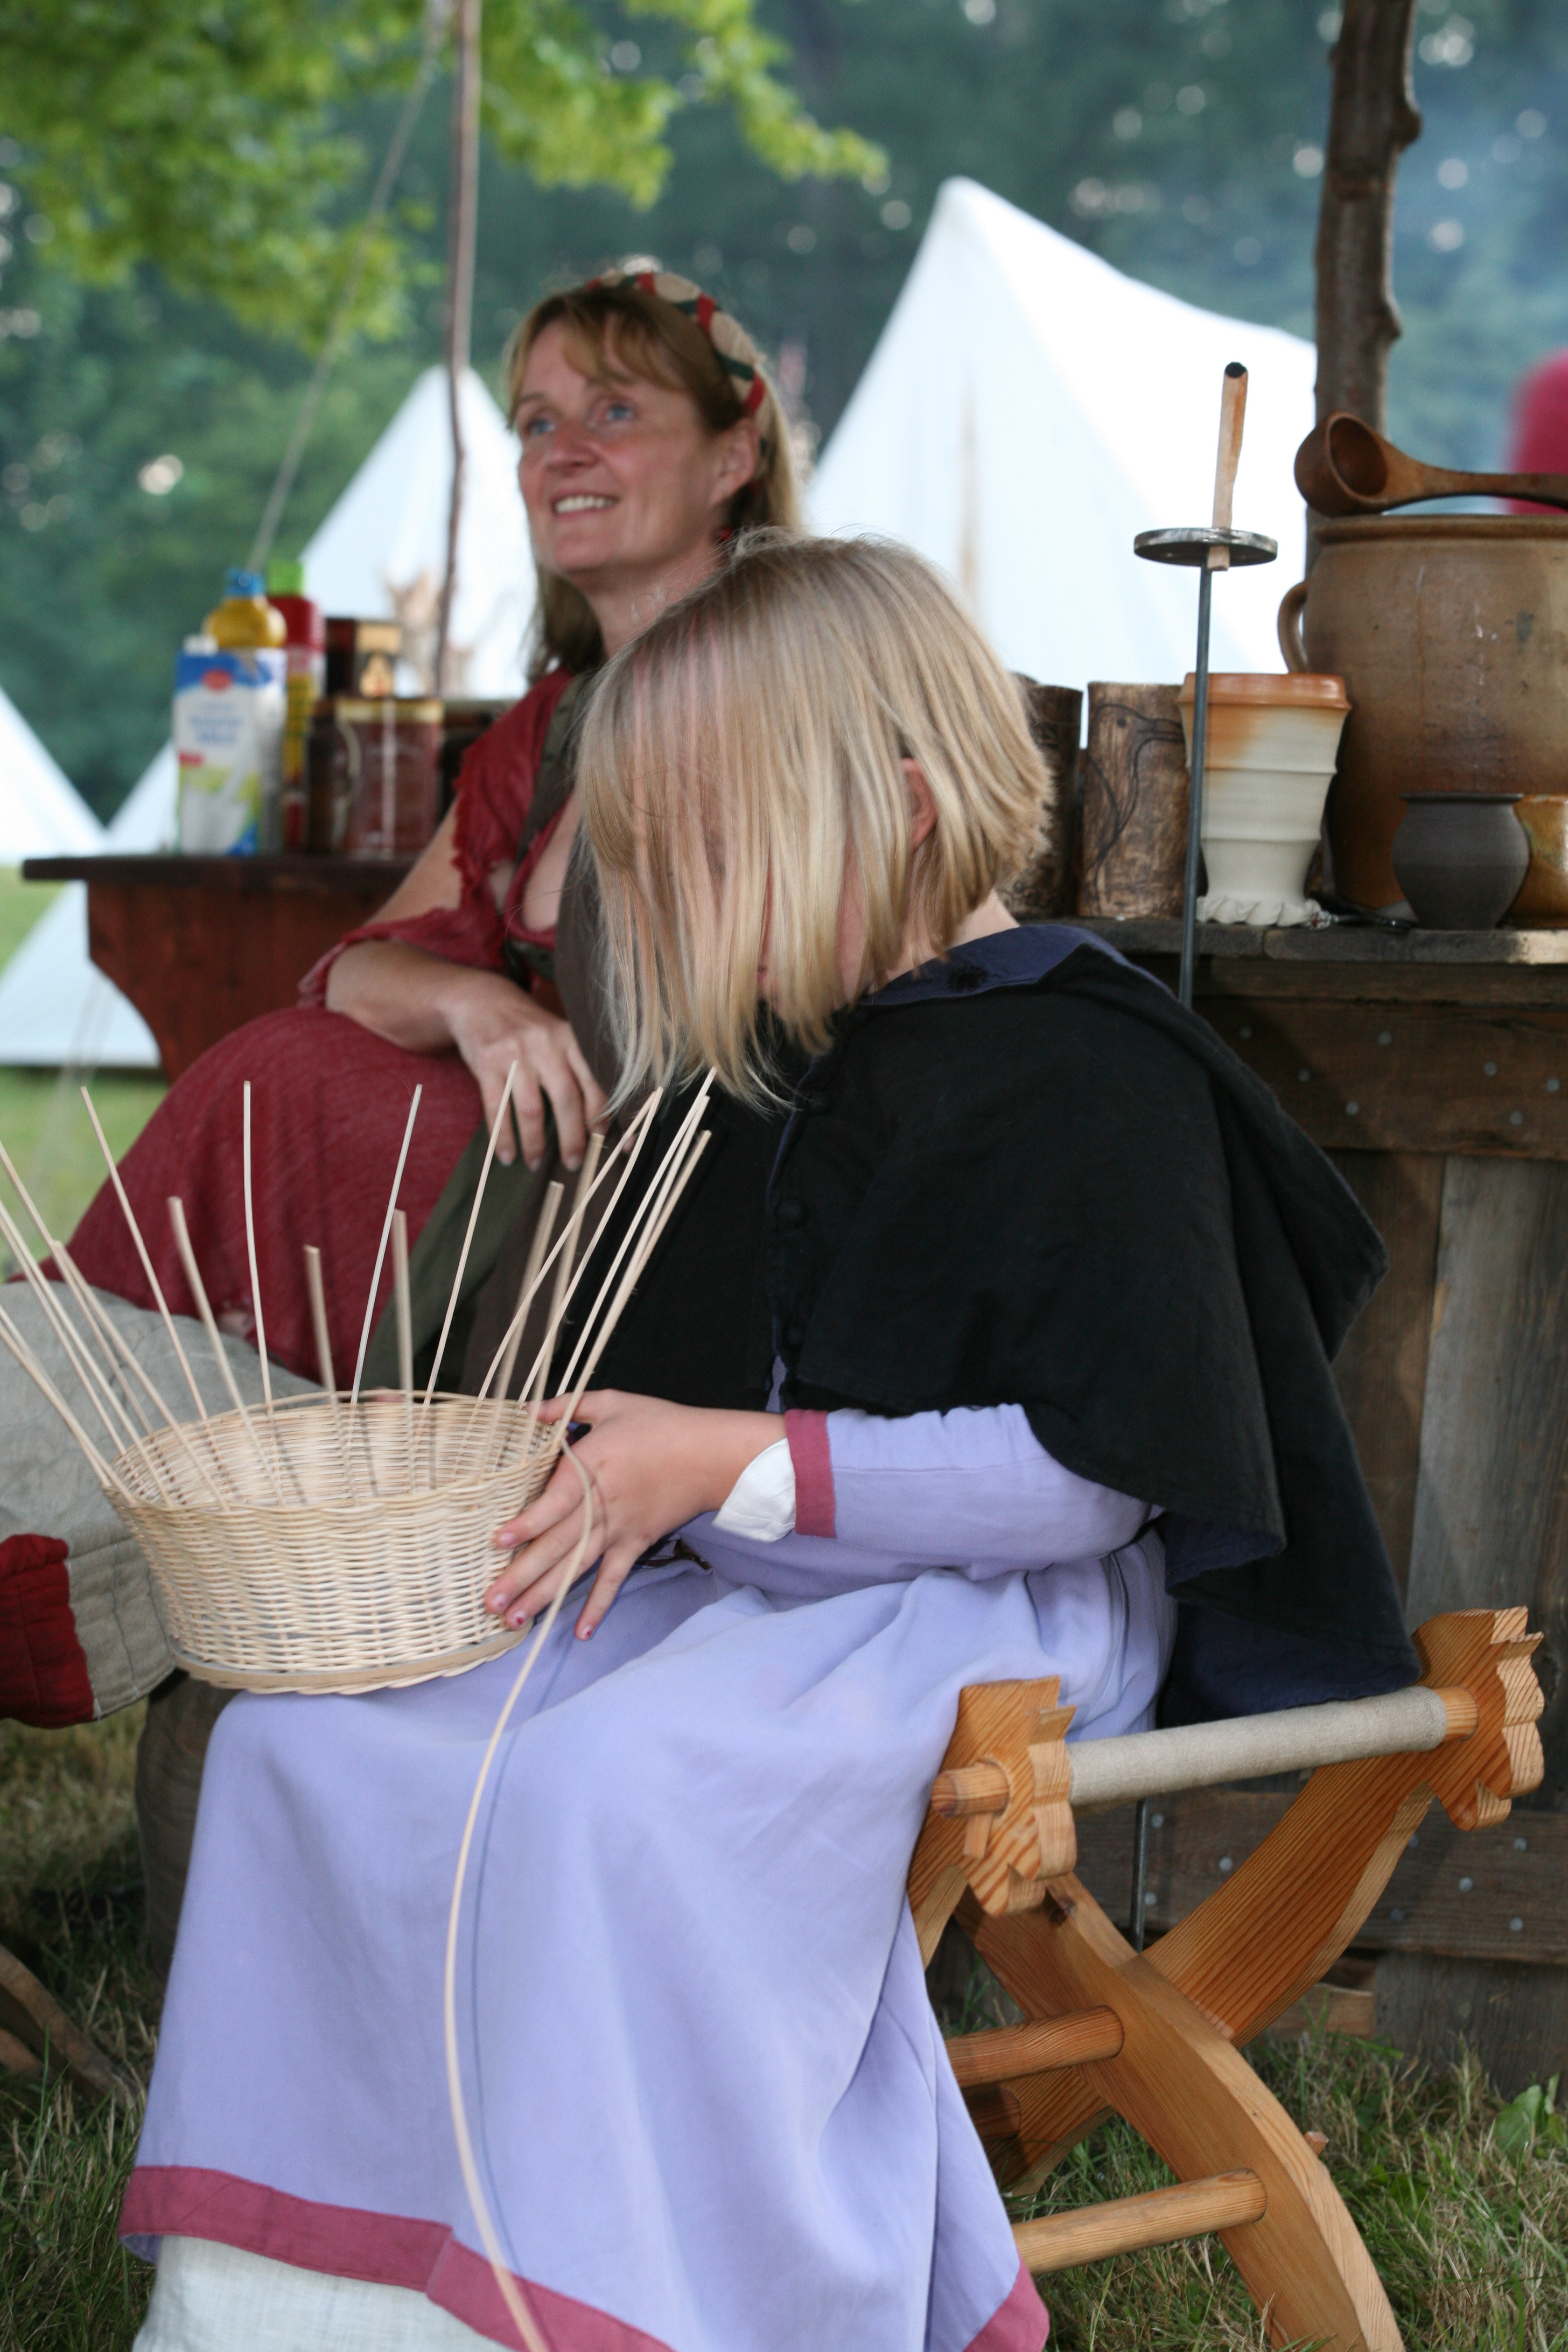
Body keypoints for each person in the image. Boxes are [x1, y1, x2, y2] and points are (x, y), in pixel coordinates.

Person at [121, 535, 1416, 2352]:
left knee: (615, 1794)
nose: (656, 910)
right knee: (307, 1753)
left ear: (898, 811)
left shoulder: (1093, 1071)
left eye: (698, 855)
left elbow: (1093, 1479)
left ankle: (645, 2296)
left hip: (996, 1612)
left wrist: (730, 1465)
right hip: (738, 1582)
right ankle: (307, 2310)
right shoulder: (764, 1065)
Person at [62, 267, 801, 1974]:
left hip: (657, 1230)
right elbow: (357, 972)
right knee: (277, 1069)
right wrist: (481, 1005)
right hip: (507, 1188)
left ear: (735, 452)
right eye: (537, 420)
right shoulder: (544, 731)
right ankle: (157, 1469)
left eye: (614, 411)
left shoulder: (780, 684)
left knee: (285, 1101)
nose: (561, 452)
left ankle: (188, 1491)